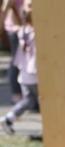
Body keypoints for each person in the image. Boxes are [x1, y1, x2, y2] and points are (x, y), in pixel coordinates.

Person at [1, 0, 35, 135]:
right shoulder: (33, 34)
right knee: (34, 100)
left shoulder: (23, 32)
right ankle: (9, 117)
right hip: (34, 74)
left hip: (25, 75)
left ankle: (9, 118)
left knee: (30, 100)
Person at [1, 0, 23, 105]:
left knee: (19, 61)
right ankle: (17, 94)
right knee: (16, 61)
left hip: (20, 28)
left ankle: (21, 93)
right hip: (16, 29)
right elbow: (6, 7)